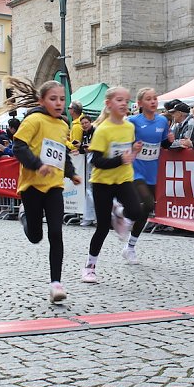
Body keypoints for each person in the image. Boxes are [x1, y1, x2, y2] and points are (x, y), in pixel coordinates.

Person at [8, 77, 81, 303]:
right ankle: (24, 216)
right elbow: (18, 146)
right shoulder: (34, 120)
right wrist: (37, 165)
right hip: (32, 186)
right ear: (42, 100)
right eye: (53, 99)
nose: (59, 103)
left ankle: (56, 283)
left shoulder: (64, 125)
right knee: (35, 236)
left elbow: (61, 153)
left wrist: (71, 173)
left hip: (54, 187)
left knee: (56, 233)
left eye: (62, 99)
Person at [81, 86, 143, 283]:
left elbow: (126, 154)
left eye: (126, 100)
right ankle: (89, 267)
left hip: (123, 178)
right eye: (119, 100)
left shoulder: (129, 127)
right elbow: (96, 161)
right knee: (102, 227)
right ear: (108, 104)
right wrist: (120, 159)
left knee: (136, 210)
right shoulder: (102, 130)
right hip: (102, 182)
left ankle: (119, 213)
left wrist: (134, 151)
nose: (124, 103)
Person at [125, 87, 174, 263]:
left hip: (152, 170)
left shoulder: (162, 121)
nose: (153, 101)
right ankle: (123, 215)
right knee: (146, 202)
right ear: (140, 103)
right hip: (135, 169)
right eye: (148, 99)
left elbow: (164, 144)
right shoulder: (132, 121)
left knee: (147, 208)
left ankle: (130, 247)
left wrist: (169, 141)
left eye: (155, 98)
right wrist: (132, 147)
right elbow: (122, 142)